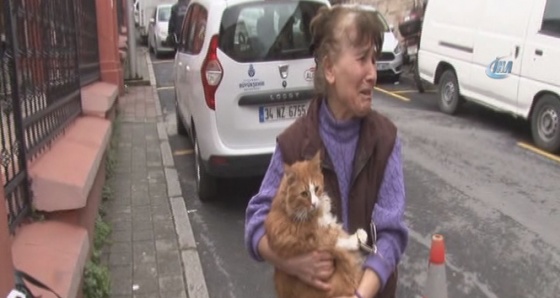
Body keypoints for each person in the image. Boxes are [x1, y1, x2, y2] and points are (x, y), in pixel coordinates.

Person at [244, 4, 409, 298]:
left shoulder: (385, 139)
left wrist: (359, 294)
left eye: (373, 59)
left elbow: (391, 235)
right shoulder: (293, 144)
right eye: (361, 59)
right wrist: (293, 264)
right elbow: (255, 224)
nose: (372, 73)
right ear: (330, 69)